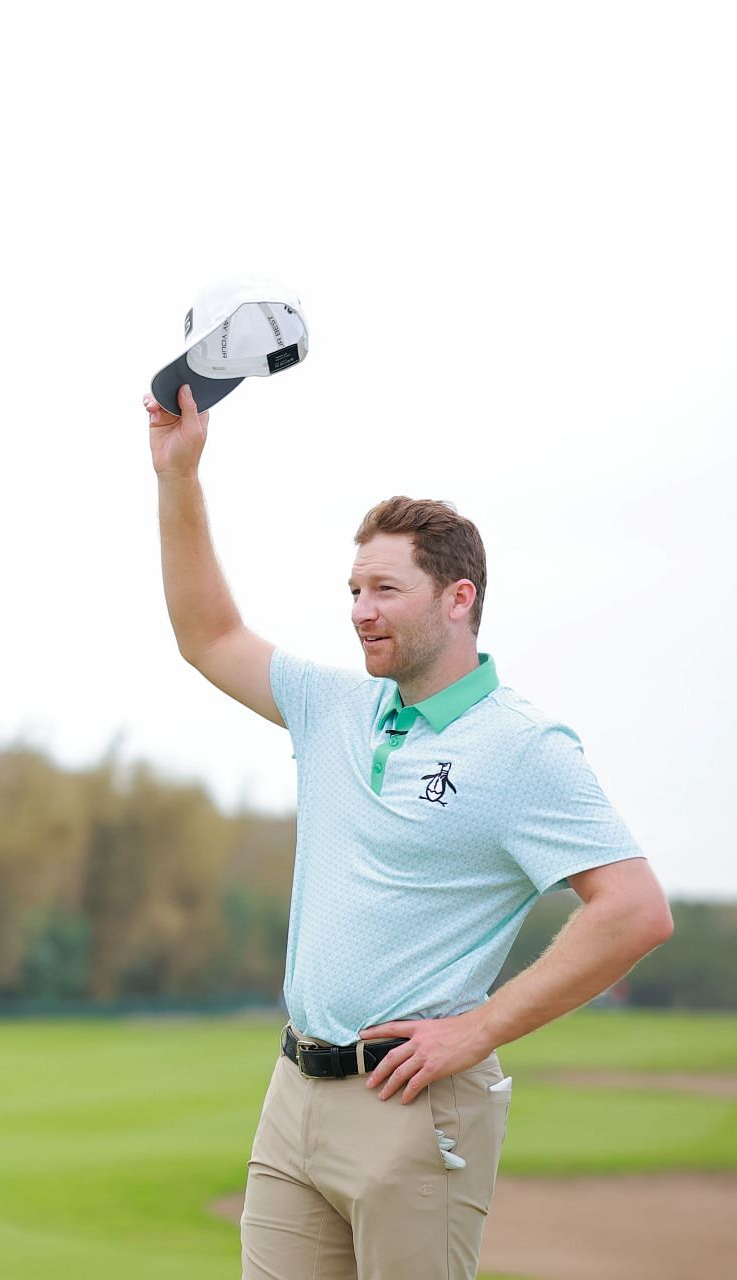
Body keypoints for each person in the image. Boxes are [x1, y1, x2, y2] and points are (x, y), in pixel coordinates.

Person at [146, 384, 673, 1279]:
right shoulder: (334, 707)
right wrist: (178, 476)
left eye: (385, 589)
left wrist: (477, 1030)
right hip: (293, 1093)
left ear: (458, 598)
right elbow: (208, 634)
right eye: (354, 589)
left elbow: (633, 911)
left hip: (415, 1105)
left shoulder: (523, 748)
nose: (360, 611)